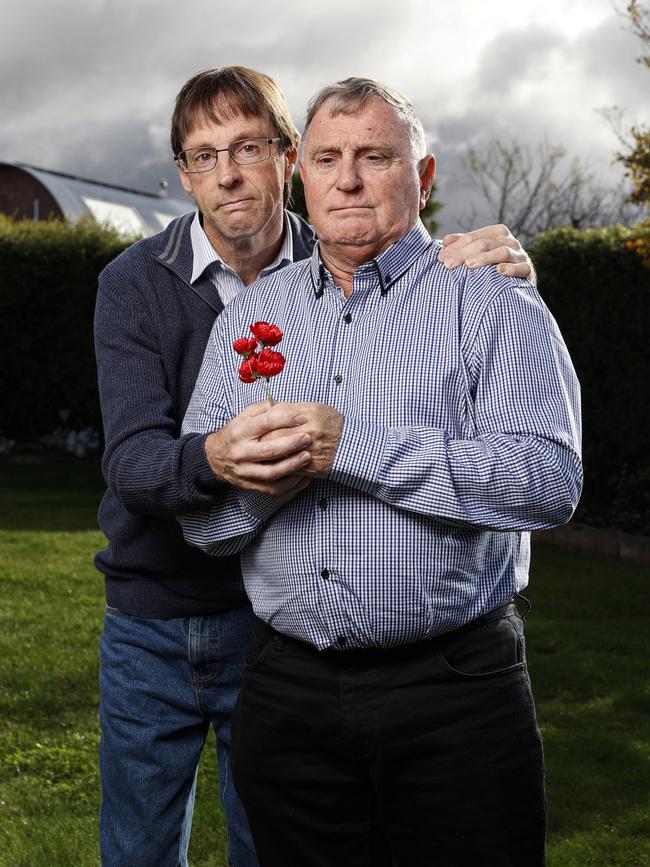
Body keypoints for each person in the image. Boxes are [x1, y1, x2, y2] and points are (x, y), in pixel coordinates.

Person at [94, 65, 538, 867]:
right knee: (144, 845)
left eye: (247, 147)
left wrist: (346, 448)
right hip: (185, 621)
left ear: (281, 159)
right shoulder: (181, 294)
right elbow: (144, 468)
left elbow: (543, 478)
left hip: (402, 665)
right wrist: (225, 463)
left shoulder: (464, 287)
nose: (227, 173)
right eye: (202, 155)